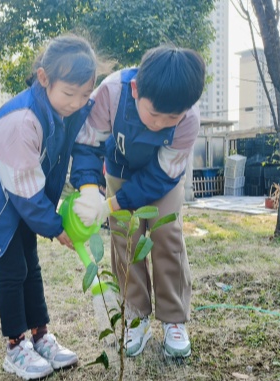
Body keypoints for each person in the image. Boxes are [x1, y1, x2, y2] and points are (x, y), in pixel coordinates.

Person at [0, 35, 98, 380]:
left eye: (85, 95)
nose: (77, 103)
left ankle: (41, 335)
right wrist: (55, 226)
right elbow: (24, 187)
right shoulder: (22, 120)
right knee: (14, 268)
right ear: (43, 78)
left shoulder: (59, 112)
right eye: (69, 93)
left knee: (30, 265)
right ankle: (16, 346)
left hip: (18, 199)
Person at [70, 45, 205, 358]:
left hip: (162, 177)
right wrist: (91, 189)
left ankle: (173, 319)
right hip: (120, 170)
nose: (158, 124)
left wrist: (113, 205)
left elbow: (162, 176)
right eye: (153, 114)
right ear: (135, 90)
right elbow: (87, 144)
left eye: (171, 117)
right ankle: (136, 315)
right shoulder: (111, 93)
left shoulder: (188, 120)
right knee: (125, 239)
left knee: (166, 235)